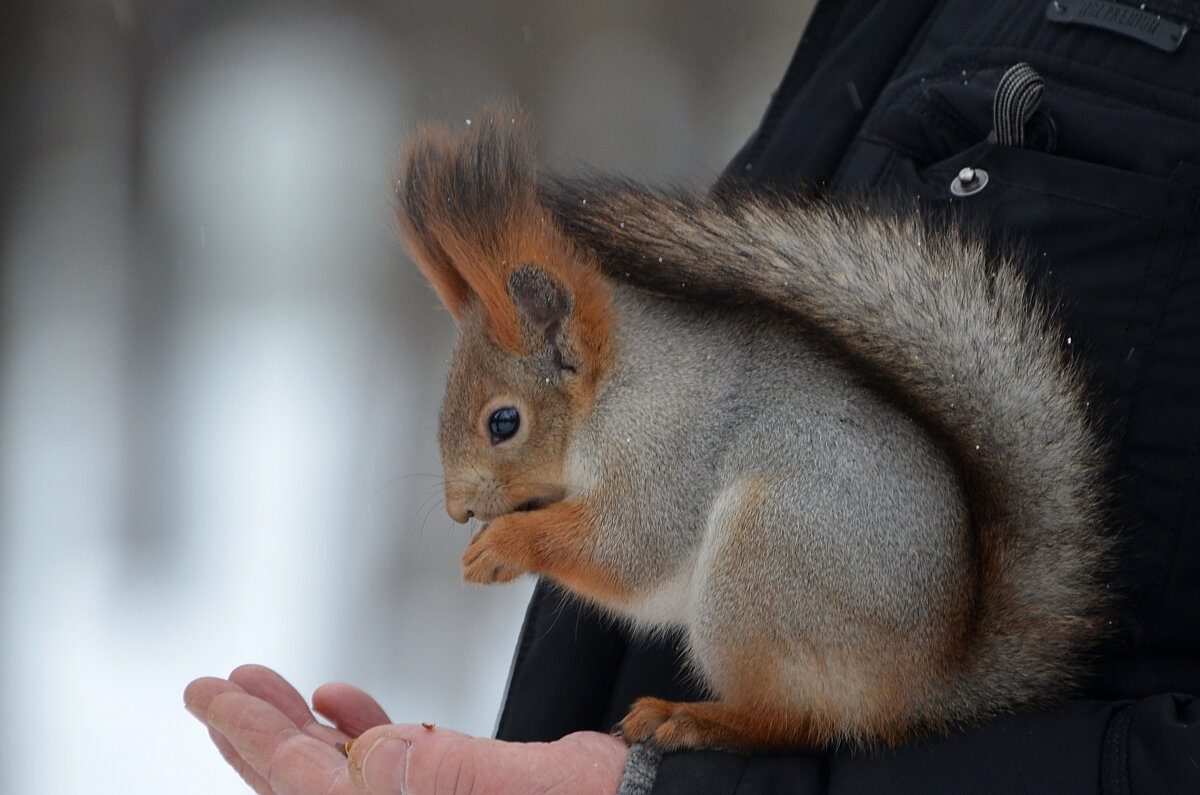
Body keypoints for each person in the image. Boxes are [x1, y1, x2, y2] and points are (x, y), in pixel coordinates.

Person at [186, 0, 1200, 791]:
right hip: (850, 589)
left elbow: (642, 550)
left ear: (566, 345)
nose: (467, 498)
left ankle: (764, 721)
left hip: (871, 604)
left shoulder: (645, 402)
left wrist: (536, 544)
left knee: (752, 539)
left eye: (503, 433)